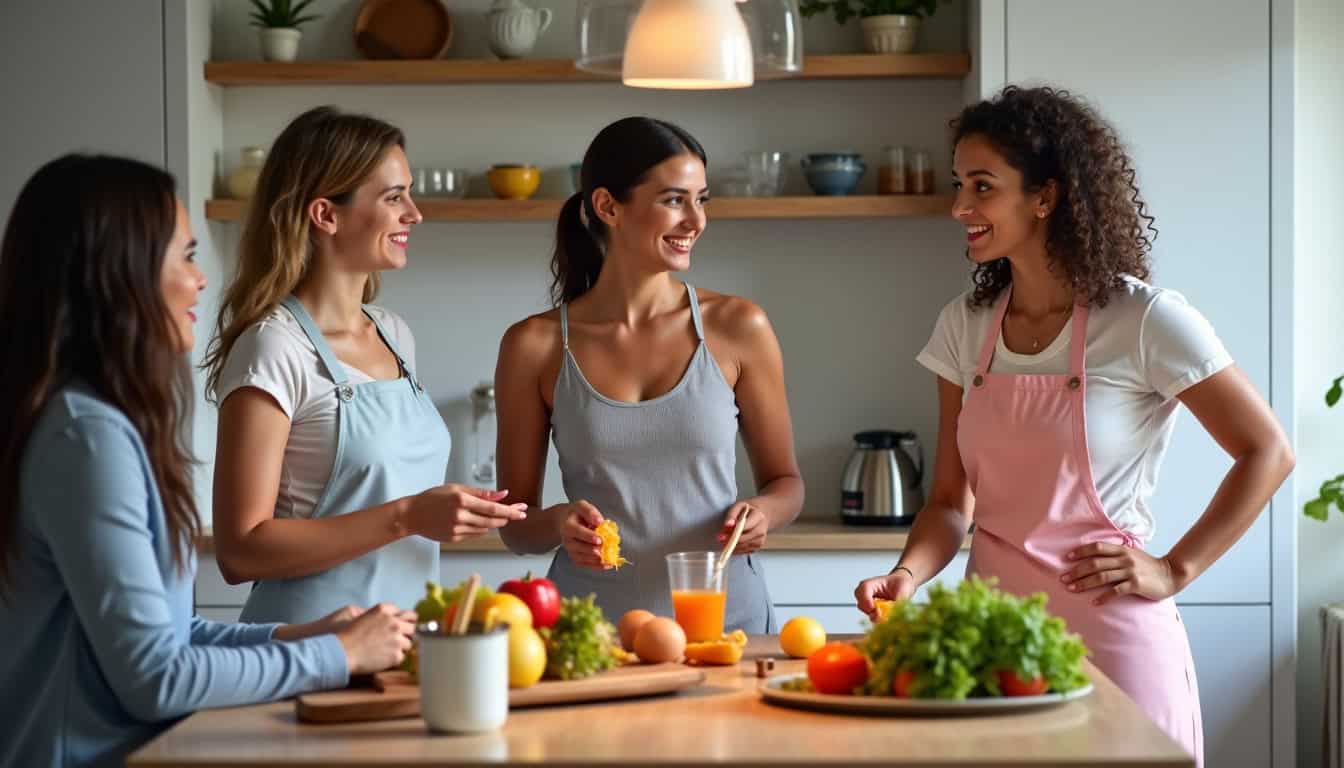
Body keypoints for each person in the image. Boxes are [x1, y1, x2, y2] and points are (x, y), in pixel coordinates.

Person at [853, 86, 1294, 766]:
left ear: (1046, 196)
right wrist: (908, 573)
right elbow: (948, 501)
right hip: (994, 642)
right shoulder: (963, 327)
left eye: (981, 187)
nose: (959, 208)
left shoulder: (1143, 319)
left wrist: (1175, 568)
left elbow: (1267, 450)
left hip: (1116, 637)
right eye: (957, 185)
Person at [0, 154, 413, 767]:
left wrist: (305, 635)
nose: (200, 280)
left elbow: (172, 633)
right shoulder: (86, 438)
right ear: (118, 271)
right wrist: (340, 656)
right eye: (187, 256)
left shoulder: (100, 424)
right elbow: (156, 678)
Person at [202, 106, 525, 625]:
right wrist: (409, 516)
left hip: (402, 642)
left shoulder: (394, 334)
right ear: (326, 215)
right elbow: (240, 551)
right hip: (305, 645)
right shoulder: (273, 347)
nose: (414, 214)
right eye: (394, 197)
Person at [494, 117, 804, 632]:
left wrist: (764, 512)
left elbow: (786, 482)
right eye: (674, 200)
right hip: (590, 635)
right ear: (607, 206)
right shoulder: (534, 346)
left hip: (726, 626)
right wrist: (556, 522)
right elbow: (516, 525)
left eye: (701, 200)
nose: (696, 221)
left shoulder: (738, 327)